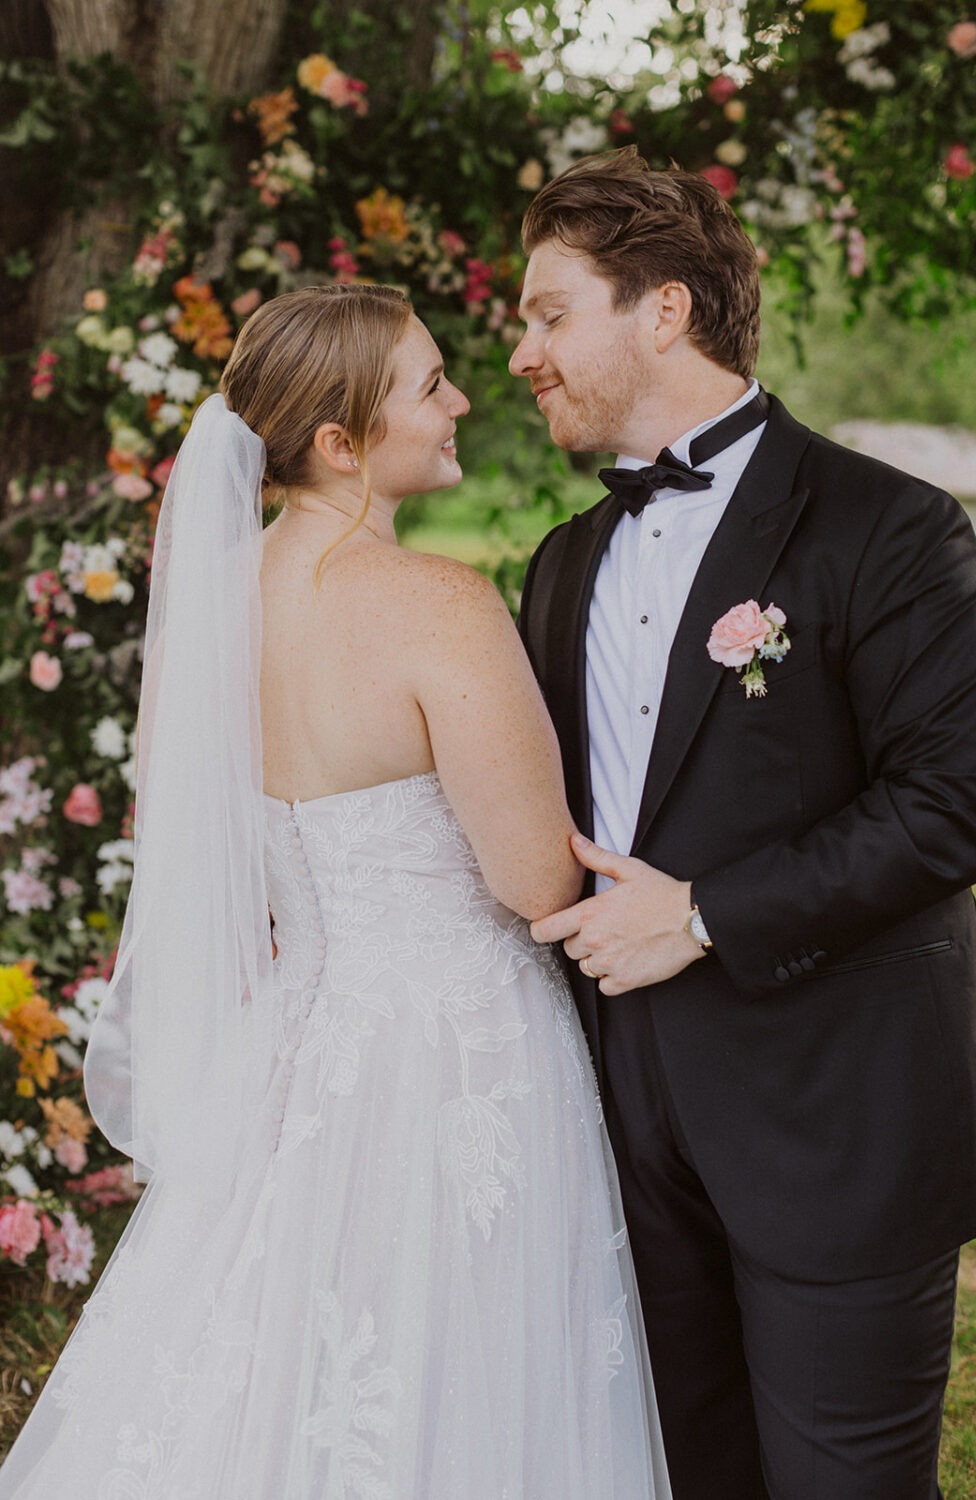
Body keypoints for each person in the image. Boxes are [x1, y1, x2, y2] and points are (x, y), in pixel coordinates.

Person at [0, 284, 670, 1499]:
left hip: (294, 1046)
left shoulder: (211, 618)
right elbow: (531, 879)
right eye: (429, 385)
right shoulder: (441, 609)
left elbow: (206, 836)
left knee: (263, 1357)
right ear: (340, 443)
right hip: (458, 1054)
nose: (464, 397)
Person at [511, 146, 976, 1500]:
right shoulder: (564, 565)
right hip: (620, 1135)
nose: (519, 353)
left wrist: (710, 914)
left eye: (549, 313)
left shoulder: (889, 528)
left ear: (662, 308)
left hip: (837, 1119)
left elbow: (969, 791)